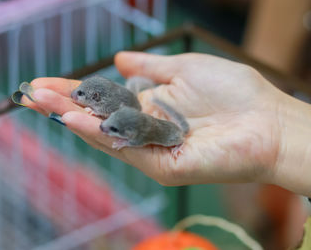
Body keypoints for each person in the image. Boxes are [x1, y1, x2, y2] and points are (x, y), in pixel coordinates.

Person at [24, 51, 311, 199]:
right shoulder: (118, 107)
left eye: (85, 96)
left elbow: (135, 131)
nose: (78, 98)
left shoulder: (132, 123)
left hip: (167, 132)